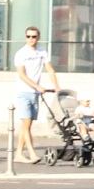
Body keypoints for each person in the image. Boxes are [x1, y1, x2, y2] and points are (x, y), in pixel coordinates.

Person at [15, 26, 60, 164]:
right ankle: (32, 153)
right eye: (28, 36)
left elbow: (49, 69)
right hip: (24, 91)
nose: (31, 39)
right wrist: (37, 86)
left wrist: (56, 86)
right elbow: (22, 75)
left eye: (33, 36)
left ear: (38, 38)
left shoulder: (42, 52)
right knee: (26, 123)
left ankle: (18, 154)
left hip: (35, 93)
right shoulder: (21, 53)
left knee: (26, 125)